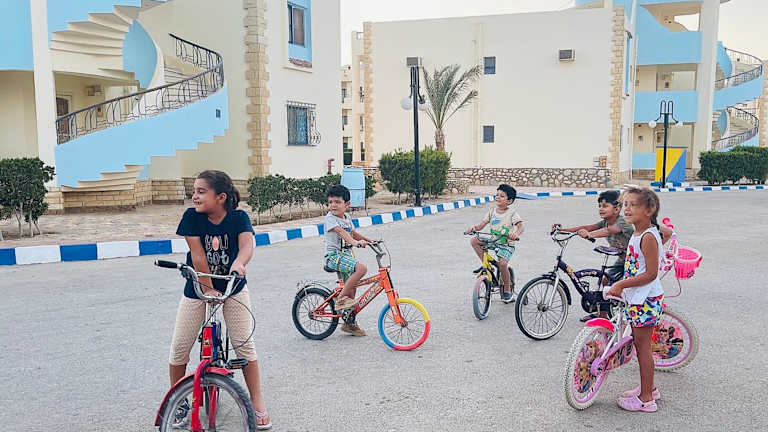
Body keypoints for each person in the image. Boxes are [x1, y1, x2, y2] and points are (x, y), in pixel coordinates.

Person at [169, 170, 271, 429]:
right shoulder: (191, 217)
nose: (195, 196)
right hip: (197, 288)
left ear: (221, 197)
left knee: (244, 346)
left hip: (233, 288)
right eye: (194, 191)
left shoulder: (238, 218)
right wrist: (208, 288)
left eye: (201, 192)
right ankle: (178, 400)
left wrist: (239, 263)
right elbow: (198, 255)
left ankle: (257, 402)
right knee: (180, 347)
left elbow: (247, 245)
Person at [605, 187, 665, 413]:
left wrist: (621, 284)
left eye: (634, 205)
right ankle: (650, 388)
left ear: (649, 210)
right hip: (639, 297)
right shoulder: (639, 233)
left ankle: (646, 398)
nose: (627, 209)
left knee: (643, 348)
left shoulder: (648, 236)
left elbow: (651, 273)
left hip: (646, 299)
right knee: (641, 346)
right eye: (625, 205)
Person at [552, 190, 633, 321]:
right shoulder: (605, 222)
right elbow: (588, 227)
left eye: (605, 206)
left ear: (616, 209)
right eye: (599, 206)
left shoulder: (622, 222)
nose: (601, 209)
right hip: (622, 259)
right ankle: (603, 314)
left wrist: (590, 235)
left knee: (624, 286)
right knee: (605, 280)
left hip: (634, 260)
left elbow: (609, 231)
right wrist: (562, 230)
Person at [323, 184, 375, 336]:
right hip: (334, 256)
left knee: (352, 292)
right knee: (361, 269)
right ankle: (340, 300)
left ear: (347, 204)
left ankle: (349, 324)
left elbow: (353, 233)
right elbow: (341, 232)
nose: (333, 205)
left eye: (337, 202)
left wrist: (369, 240)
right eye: (330, 202)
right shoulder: (330, 218)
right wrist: (355, 243)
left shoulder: (347, 218)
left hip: (346, 256)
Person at [464, 184, 524, 303]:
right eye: (497, 195)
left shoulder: (512, 213)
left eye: (502, 196)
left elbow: (521, 226)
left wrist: (516, 234)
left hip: (506, 244)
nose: (498, 197)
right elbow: (481, 225)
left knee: (503, 264)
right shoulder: (492, 212)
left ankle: (507, 290)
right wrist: (473, 228)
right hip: (494, 241)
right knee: (474, 240)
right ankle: (487, 265)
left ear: (509, 201)